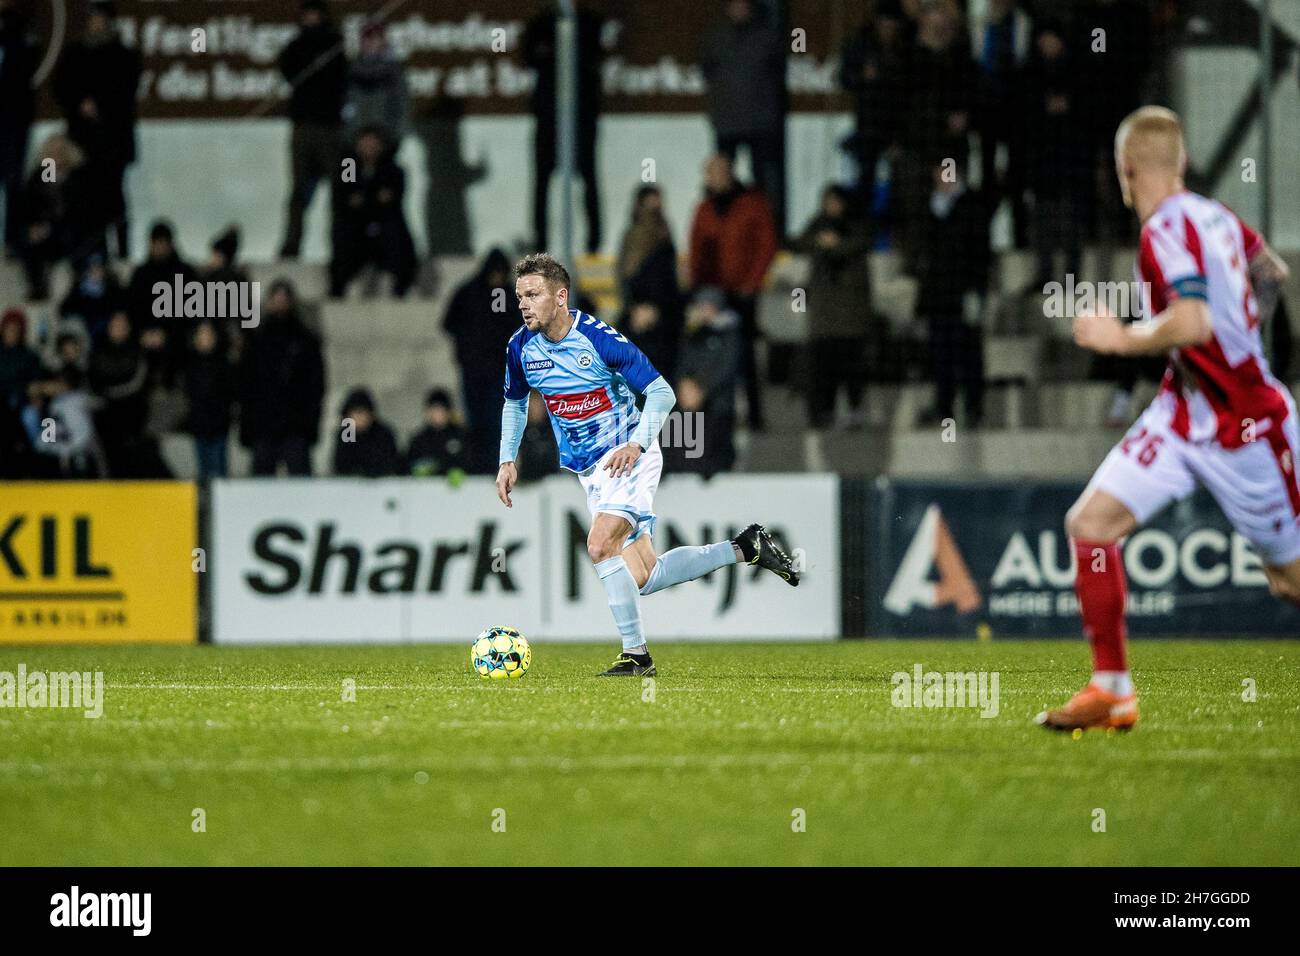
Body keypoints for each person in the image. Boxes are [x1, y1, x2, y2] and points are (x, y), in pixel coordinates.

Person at [1045, 107, 1299, 732]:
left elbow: (1191, 323)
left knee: (1290, 581)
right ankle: (1112, 690)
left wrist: (1119, 339)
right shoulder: (1217, 217)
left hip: (1246, 428)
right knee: (1091, 524)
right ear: (1181, 162)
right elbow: (1272, 276)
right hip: (1183, 412)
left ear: (1124, 171)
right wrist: (1240, 344)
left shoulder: (1161, 231)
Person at [495, 254, 799, 678]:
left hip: (627, 455)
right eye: (519, 296)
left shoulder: (601, 340)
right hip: (589, 469)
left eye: (533, 295)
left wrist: (637, 444)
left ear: (560, 297)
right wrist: (508, 458)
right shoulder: (520, 348)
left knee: (599, 545)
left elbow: (662, 394)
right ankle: (745, 547)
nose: (523, 304)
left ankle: (637, 657)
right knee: (644, 575)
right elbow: (513, 403)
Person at [687, 154, 778, 430]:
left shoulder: (752, 204)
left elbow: (766, 245)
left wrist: (752, 283)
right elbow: (696, 249)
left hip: (742, 293)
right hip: (712, 292)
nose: (711, 178)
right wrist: (695, 288)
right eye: (708, 173)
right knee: (710, 353)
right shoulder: (705, 208)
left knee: (744, 353)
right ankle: (716, 413)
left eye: (716, 172)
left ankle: (754, 414)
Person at [52, 0, 141, 258]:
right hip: (81, 141)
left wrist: (99, 104)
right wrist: (80, 103)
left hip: (113, 141)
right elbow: (60, 86)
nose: (96, 23)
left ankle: (121, 250)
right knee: (81, 196)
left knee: (114, 196)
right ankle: (85, 250)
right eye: (93, 18)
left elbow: (125, 90)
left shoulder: (125, 55)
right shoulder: (74, 53)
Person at [790, 185, 874, 429]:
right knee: (823, 367)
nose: (832, 208)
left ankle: (855, 410)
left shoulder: (858, 227)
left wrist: (833, 244)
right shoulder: (817, 227)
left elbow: (854, 246)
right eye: (828, 202)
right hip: (824, 316)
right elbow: (798, 242)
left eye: (836, 202)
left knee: (852, 366)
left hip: (851, 315)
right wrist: (821, 241)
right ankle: (824, 412)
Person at [699, 0, 787, 235]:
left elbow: (780, 69)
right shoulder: (716, 37)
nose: (739, 10)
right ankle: (719, 229)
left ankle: (767, 231)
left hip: (761, 122)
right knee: (721, 178)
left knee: (764, 181)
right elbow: (707, 71)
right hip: (727, 120)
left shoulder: (767, 37)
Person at [523, 2, 604, 252]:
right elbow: (527, 57)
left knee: (588, 177)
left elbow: (593, 58)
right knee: (542, 182)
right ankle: (540, 240)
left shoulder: (590, 24)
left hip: (582, 117)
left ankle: (593, 241)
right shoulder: (540, 25)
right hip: (548, 117)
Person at [916, 158, 988, 428]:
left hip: (963, 291)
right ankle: (944, 407)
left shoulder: (971, 205)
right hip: (938, 294)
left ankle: (973, 408)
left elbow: (980, 252)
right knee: (940, 353)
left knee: (968, 351)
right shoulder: (931, 206)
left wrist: (976, 291)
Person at [442, 247, 524, 473]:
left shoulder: (508, 296)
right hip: (474, 372)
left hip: (498, 373)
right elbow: (448, 323)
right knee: (476, 422)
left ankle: (492, 467)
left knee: (495, 422)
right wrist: (467, 347)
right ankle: (478, 466)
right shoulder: (468, 293)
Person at [277, 0, 347, 259]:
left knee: (340, 187)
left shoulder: (334, 45)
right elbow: (287, 70)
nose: (311, 19)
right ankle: (292, 244)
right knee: (298, 190)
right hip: (303, 127)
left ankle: (340, 244)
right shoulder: (296, 46)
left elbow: (340, 80)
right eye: (307, 15)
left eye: (314, 14)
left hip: (330, 128)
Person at [238, 280, 325, 476]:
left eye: (284, 299)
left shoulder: (306, 341)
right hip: (263, 425)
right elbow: (247, 387)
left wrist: (310, 424)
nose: (280, 304)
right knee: (260, 488)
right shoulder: (256, 341)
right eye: (276, 299)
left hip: (295, 426)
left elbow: (316, 386)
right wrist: (247, 427)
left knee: (300, 484)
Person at [329, 126, 417, 298]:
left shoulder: (391, 167)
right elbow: (349, 195)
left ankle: (401, 286)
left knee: (398, 237)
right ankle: (338, 287)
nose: (369, 148)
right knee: (344, 235)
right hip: (356, 224)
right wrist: (373, 198)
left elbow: (391, 198)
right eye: (365, 143)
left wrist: (366, 198)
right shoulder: (350, 167)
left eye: (373, 144)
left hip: (383, 223)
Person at [617, 185, 682, 381]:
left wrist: (656, 311)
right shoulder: (631, 240)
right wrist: (634, 310)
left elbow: (670, 286)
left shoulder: (665, 242)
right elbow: (624, 282)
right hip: (637, 318)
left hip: (663, 320)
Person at [0, 0, 38, 258]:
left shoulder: (20, 31)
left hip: (11, 121)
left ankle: (12, 240)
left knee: (13, 182)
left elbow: (23, 74)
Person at [181, 320, 235, 480]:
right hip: (199, 425)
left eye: (209, 334)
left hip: (219, 425)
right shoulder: (190, 365)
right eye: (202, 334)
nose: (205, 338)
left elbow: (230, 394)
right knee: (203, 472)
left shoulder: (224, 363)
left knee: (219, 471)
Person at [343, 21, 408, 146]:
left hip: (385, 135)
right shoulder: (351, 69)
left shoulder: (393, 70)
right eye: (367, 38)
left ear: (383, 41)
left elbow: (402, 104)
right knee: (350, 165)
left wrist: (396, 134)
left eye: (375, 38)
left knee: (383, 165)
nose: (371, 43)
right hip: (356, 135)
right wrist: (348, 132)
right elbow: (345, 101)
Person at [332, 387, 400, 477]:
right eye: (355, 413)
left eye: (362, 412)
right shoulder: (347, 434)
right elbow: (341, 466)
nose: (359, 417)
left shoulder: (383, 434)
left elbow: (390, 464)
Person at [405, 388, 468, 477]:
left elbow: (472, 463)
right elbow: (407, 467)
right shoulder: (418, 440)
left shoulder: (462, 436)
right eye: (434, 410)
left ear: (449, 412)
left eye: (441, 410)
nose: (437, 414)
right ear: (427, 412)